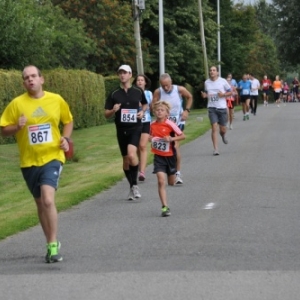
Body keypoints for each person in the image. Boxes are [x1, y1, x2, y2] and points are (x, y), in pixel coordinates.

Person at [0, 65, 73, 263]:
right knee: (40, 203)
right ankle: (49, 242)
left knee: (48, 199)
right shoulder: (17, 104)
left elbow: (68, 120)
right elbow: (3, 129)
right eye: (26, 78)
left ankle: (52, 244)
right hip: (29, 161)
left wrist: (65, 138)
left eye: (33, 76)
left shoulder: (56, 99)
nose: (30, 80)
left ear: (42, 79)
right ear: (23, 83)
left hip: (53, 157)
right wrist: (17, 126)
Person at [104, 65, 148, 200]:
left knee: (131, 154)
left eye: (125, 73)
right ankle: (132, 186)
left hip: (135, 127)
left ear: (130, 75)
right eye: (120, 73)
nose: (122, 75)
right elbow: (106, 114)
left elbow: (145, 104)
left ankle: (134, 186)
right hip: (121, 129)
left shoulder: (138, 91)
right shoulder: (114, 93)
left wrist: (142, 111)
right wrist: (113, 110)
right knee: (125, 159)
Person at [152, 73, 193, 184]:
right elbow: (153, 105)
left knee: (175, 146)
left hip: (177, 121)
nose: (165, 87)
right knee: (167, 147)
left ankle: (177, 173)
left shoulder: (179, 89)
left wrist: (186, 110)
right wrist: (158, 113)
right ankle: (169, 169)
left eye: (167, 85)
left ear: (171, 82)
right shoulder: (158, 92)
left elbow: (189, 97)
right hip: (164, 123)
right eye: (163, 85)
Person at [149, 100, 185, 217]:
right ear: (154, 112)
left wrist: (171, 139)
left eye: (162, 110)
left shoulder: (170, 124)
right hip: (158, 157)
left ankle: (176, 175)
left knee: (171, 182)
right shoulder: (152, 125)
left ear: (166, 113)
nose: (159, 112)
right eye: (157, 110)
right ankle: (164, 207)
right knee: (160, 181)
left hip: (170, 156)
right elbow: (148, 136)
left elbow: (182, 136)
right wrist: (151, 138)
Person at [201, 66, 232, 156]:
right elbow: (207, 93)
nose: (212, 72)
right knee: (214, 127)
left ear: (217, 72)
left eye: (214, 70)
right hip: (212, 108)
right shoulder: (207, 82)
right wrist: (204, 96)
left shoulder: (223, 81)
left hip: (222, 108)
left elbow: (230, 92)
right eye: (210, 70)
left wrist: (223, 94)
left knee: (222, 129)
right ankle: (216, 149)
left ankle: (222, 135)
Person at [132, 74, 153, 182]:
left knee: (143, 146)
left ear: (145, 83)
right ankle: (141, 163)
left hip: (146, 121)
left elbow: (153, 108)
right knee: (136, 148)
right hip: (134, 122)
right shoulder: (132, 94)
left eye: (142, 80)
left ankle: (142, 172)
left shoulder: (149, 94)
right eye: (138, 80)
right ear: (135, 82)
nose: (140, 82)